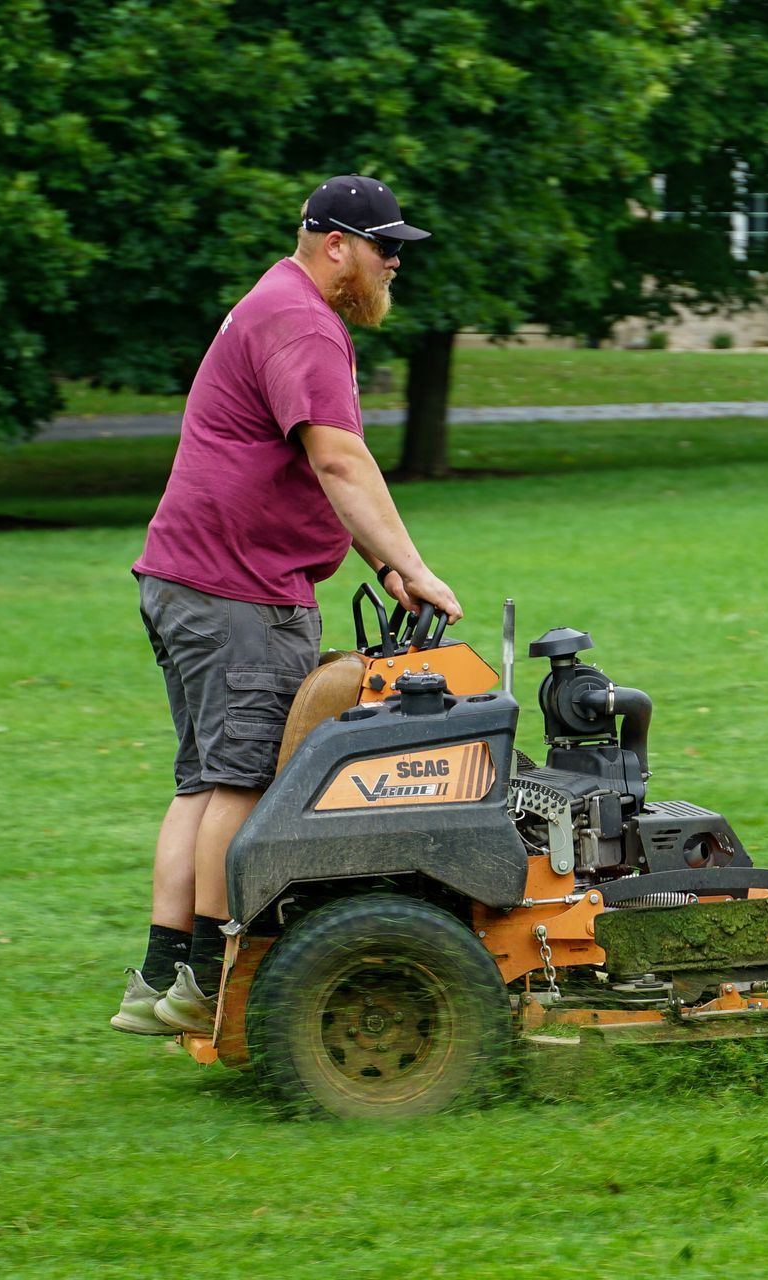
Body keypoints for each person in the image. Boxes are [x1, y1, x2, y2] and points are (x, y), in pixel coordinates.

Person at [111, 176, 462, 1036]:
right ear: (335, 243)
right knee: (242, 784)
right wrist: (417, 565)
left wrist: (383, 567)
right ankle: (203, 984)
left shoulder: (271, 303)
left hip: (187, 582)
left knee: (203, 784)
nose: (395, 265)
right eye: (387, 248)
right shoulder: (305, 322)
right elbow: (341, 462)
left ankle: (156, 985)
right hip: (237, 593)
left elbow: (309, 469)